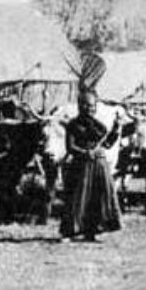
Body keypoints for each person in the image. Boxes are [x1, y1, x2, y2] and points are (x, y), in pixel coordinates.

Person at [60, 89, 122, 242]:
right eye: (86, 105)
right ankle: (69, 232)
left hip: (100, 167)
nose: (89, 108)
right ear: (79, 106)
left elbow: (107, 143)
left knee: (98, 198)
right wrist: (84, 153)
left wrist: (116, 129)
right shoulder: (73, 125)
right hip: (81, 167)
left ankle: (92, 232)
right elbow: (70, 147)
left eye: (92, 105)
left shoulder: (100, 126)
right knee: (77, 199)